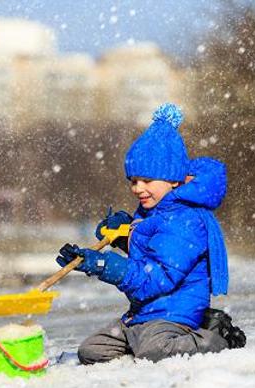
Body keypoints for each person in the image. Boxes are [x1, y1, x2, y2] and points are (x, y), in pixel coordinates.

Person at [57, 103, 245, 365]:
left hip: (173, 314)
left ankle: (215, 338)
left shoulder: (185, 220)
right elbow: (149, 250)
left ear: (174, 180)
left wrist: (103, 265)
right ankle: (142, 341)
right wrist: (122, 235)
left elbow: (159, 276)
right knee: (92, 351)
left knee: (153, 349)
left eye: (147, 181)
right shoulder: (151, 212)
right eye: (133, 181)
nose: (138, 188)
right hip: (142, 315)